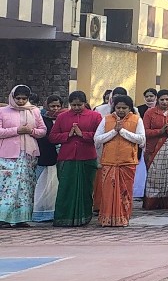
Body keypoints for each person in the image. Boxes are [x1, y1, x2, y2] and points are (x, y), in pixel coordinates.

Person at [92, 93, 145, 227]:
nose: (121, 110)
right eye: (118, 107)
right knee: (108, 193)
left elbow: (141, 139)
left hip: (127, 162)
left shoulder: (137, 120)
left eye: (124, 108)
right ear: (114, 107)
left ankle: (123, 218)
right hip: (109, 161)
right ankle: (107, 219)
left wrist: (122, 132)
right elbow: (97, 139)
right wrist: (114, 131)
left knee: (125, 192)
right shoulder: (106, 119)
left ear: (130, 108)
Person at [50, 90, 101, 226]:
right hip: (67, 157)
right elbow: (52, 137)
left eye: (79, 105)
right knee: (65, 189)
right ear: (69, 104)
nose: (76, 108)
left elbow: (100, 136)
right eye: (73, 105)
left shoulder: (95, 116)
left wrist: (82, 134)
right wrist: (68, 134)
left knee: (86, 189)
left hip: (87, 157)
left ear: (85, 103)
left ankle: (83, 218)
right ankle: (63, 218)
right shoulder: (62, 117)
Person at [0, 86, 46, 227]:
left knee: (26, 187)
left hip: (28, 155)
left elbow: (43, 130)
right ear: (12, 97)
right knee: (7, 186)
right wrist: (17, 130)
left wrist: (31, 131)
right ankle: (3, 218)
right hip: (8, 155)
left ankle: (21, 219)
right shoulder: (3, 111)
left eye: (24, 99)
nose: (20, 101)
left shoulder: (34, 111)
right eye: (18, 98)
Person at [139, 89, 168, 211]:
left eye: (167, 99)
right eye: (162, 100)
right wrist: (159, 132)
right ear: (157, 100)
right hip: (154, 148)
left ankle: (167, 203)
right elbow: (144, 131)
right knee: (154, 175)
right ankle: (152, 203)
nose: (164, 102)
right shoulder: (150, 113)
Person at [31, 95, 61, 223]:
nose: (55, 109)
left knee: (54, 187)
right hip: (43, 156)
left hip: (58, 158)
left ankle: (52, 212)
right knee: (41, 186)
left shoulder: (63, 119)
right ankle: (39, 213)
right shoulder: (41, 119)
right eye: (52, 106)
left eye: (58, 106)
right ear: (46, 106)